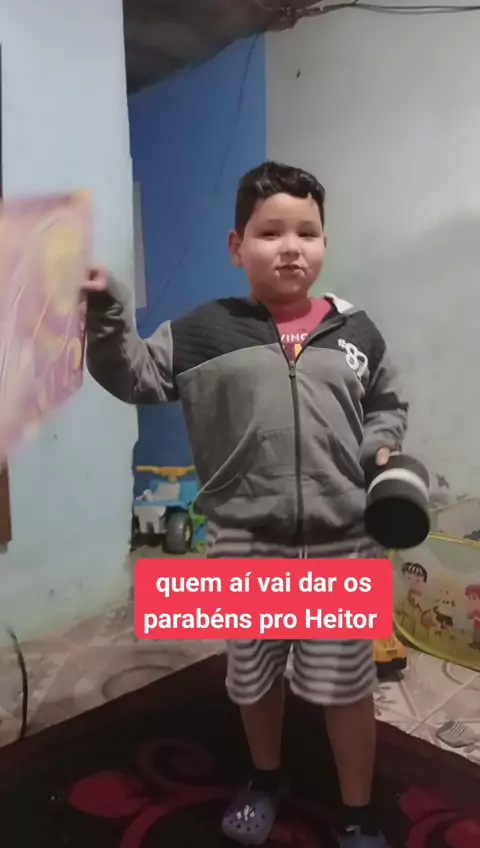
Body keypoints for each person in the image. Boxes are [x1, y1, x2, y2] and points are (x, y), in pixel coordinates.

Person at [83, 161, 408, 847]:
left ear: (325, 243)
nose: (291, 247)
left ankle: (356, 810)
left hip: (340, 540)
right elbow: (132, 374)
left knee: (347, 684)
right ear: (237, 246)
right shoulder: (203, 332)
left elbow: (386, 402)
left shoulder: (357, 332)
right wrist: (107, 311)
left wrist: (380, 446)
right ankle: (264, 778)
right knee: (255, 675)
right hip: (245, 539)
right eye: (270, 233)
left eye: (307, 233)